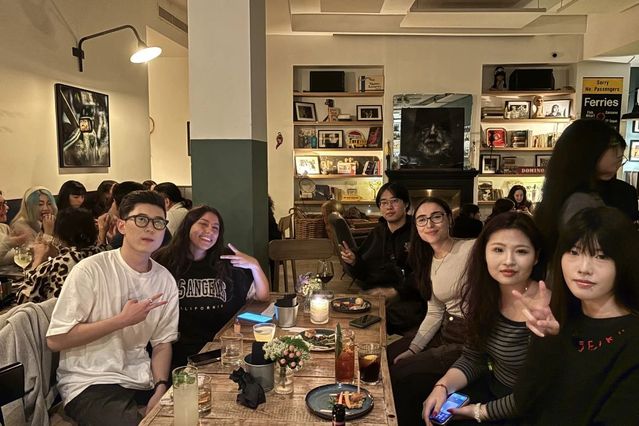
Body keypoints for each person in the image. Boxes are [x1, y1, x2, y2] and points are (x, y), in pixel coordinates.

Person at [46, 190, 179, 425]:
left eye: (158, 222)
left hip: (141, 379)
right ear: (121, 226)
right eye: (141, 219)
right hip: (90, 382)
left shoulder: (165, 279)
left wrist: (161, 387)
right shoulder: (91, 270)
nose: (150, 228)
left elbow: (162, 343)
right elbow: (56, 340)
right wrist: (122, 320)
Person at [514, 207, 639, 424]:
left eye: (601, 256)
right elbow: (525, 399)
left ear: (625, 261)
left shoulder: (633, 339)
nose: (583, 268)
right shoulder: (562, 320)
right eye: (574, 252)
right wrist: (545, 339)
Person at [421, 212, 544, 425]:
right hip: (492, 390)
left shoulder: (546, 309)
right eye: (498, 250)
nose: (508, 261)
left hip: (529, 410)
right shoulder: (485, 295)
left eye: (521, 251)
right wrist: (442, 386)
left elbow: (537, 391)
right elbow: (473, 357)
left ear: (536, 257)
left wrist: (479, 412)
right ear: (484, 253)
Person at [388, 197, 475, 425]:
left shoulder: (471, 249)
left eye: (436, 216)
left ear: (449, 219)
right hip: (446, 328)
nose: (429, 224)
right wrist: (414, 348)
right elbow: (435, 310)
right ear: (416, 227)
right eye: (422, 219)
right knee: (387, 356)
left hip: (469, 338)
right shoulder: (428, 260)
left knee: (401, 373)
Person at [153, 205, 270, 368]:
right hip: (177, 352)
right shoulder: (163, 260)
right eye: (203, 224)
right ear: (188, 225)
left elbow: (262, 296)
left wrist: (255, 265)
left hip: (222, 349)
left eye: (215, 228)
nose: (210, 231)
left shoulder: (226, 260)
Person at [534, 119, 638, 260]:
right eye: (612, 146)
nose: (619, 153)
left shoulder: (623, 191)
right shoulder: (579, 200)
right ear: (587, 151)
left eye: (621, 156)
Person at [339, 182, 423, 334]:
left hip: (407, 296)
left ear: (406, 204)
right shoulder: (378, 232)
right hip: (376, 294)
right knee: (347, 315)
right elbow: (363, 271)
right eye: (384, 203)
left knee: (373, 322)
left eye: (394, 201)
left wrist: (396, 291)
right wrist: (354, 261)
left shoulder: (418, 232)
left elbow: (425, 272)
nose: (389, 207)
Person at [17, 208, 103, 303]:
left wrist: (38, 259)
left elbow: (23, 300)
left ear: (60, 235)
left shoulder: (60, 264)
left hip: (63, 311)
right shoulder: (102, 251)